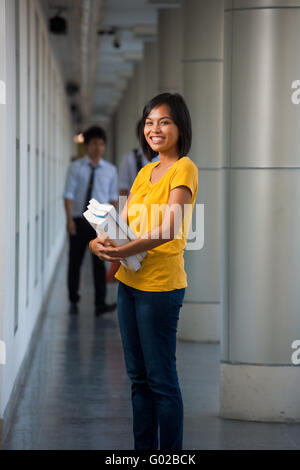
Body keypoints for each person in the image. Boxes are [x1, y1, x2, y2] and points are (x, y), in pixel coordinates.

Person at [90, 93, 198, 450]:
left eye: (164, 122)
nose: (155, 129)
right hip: (130, 283)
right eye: (150, 122)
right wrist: (101, 241)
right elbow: (125, 222)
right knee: (137, 379)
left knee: (161, 379)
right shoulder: (144, 171)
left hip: (160, 288)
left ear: (180, 127)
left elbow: (168, 229)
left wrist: (121, 251)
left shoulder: (184, 168)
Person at [64, 126, 118, 316]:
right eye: (94, 143)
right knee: (75, 261)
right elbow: (68, 194)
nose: (98, 147)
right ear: (87, 145)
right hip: (78, 220)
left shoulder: (110, 170)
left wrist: (111, 225)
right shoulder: (76, 167)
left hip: (99, 223)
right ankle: (73, 297)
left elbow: (112, 199)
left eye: (101, 144)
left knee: (99, 263)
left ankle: (100, 303)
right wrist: (69, 219)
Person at [119, 121, 160, 197]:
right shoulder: (129, 158)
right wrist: (122, 208)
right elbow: (123, 189)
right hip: (136, 206)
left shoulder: (162, 158)